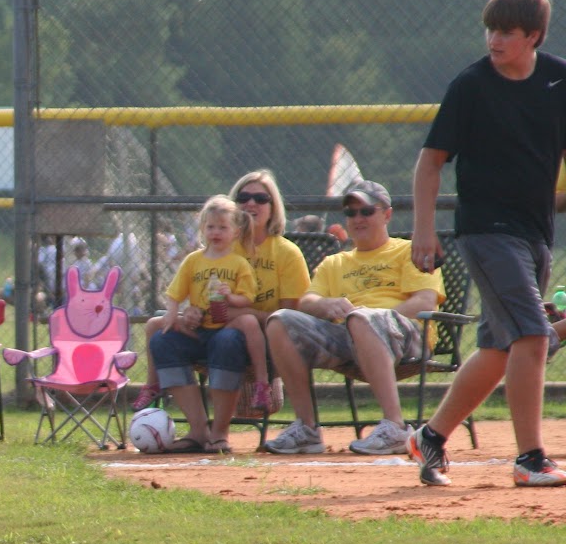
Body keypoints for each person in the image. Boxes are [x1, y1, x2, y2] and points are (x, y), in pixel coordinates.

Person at [408, 0, 566, 487]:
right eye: (490, 29)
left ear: (534, 36)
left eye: (506, 31)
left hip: (535, 231)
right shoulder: (471, 85)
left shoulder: (559, 80)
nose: (494, 39)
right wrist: (424, 230)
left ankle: (430, 435)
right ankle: (530, 459)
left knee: (500, 349)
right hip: (486, 231)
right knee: (532, 335)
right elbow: (430, 163)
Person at [263, 180, 444, 455]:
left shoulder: (409, 251)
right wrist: (327, 304)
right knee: (280, 322)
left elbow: (424, 301)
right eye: (351, 212)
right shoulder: (334, 263)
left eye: (367, 211)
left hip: (407, 335)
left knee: (361, 319)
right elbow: (307, 302)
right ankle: (307, 429)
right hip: (349, 337)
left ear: (387, 214)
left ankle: (396, 428)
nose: (358, 218)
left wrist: (372, 320)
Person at [134, 170, 308, 411]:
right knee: (159, 332)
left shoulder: (287, 253)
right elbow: (200, 292)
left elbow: (290, 320)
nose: (251, 203)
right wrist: (192, 311)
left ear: (273, 207)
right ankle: (188, 418)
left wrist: (245, 314)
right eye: (243, 197)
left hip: (260, 339)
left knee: (229, 337)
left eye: (260, 198)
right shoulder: (221, 245)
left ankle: (227, 419)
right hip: (210, 330)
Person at [143, 195, 260, 454]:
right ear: (202, 229)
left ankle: (219, 433)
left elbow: (247, 300)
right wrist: (177, 314)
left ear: (235, 231)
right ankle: (198, 431)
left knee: (227, 342)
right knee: (162, 340)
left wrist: (229, 299)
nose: (215, 232)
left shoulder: (239, 262)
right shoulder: (194, 260)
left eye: (222, 227)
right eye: (210, 227)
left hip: (227, 332)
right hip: (197, 332)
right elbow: (175, 293)